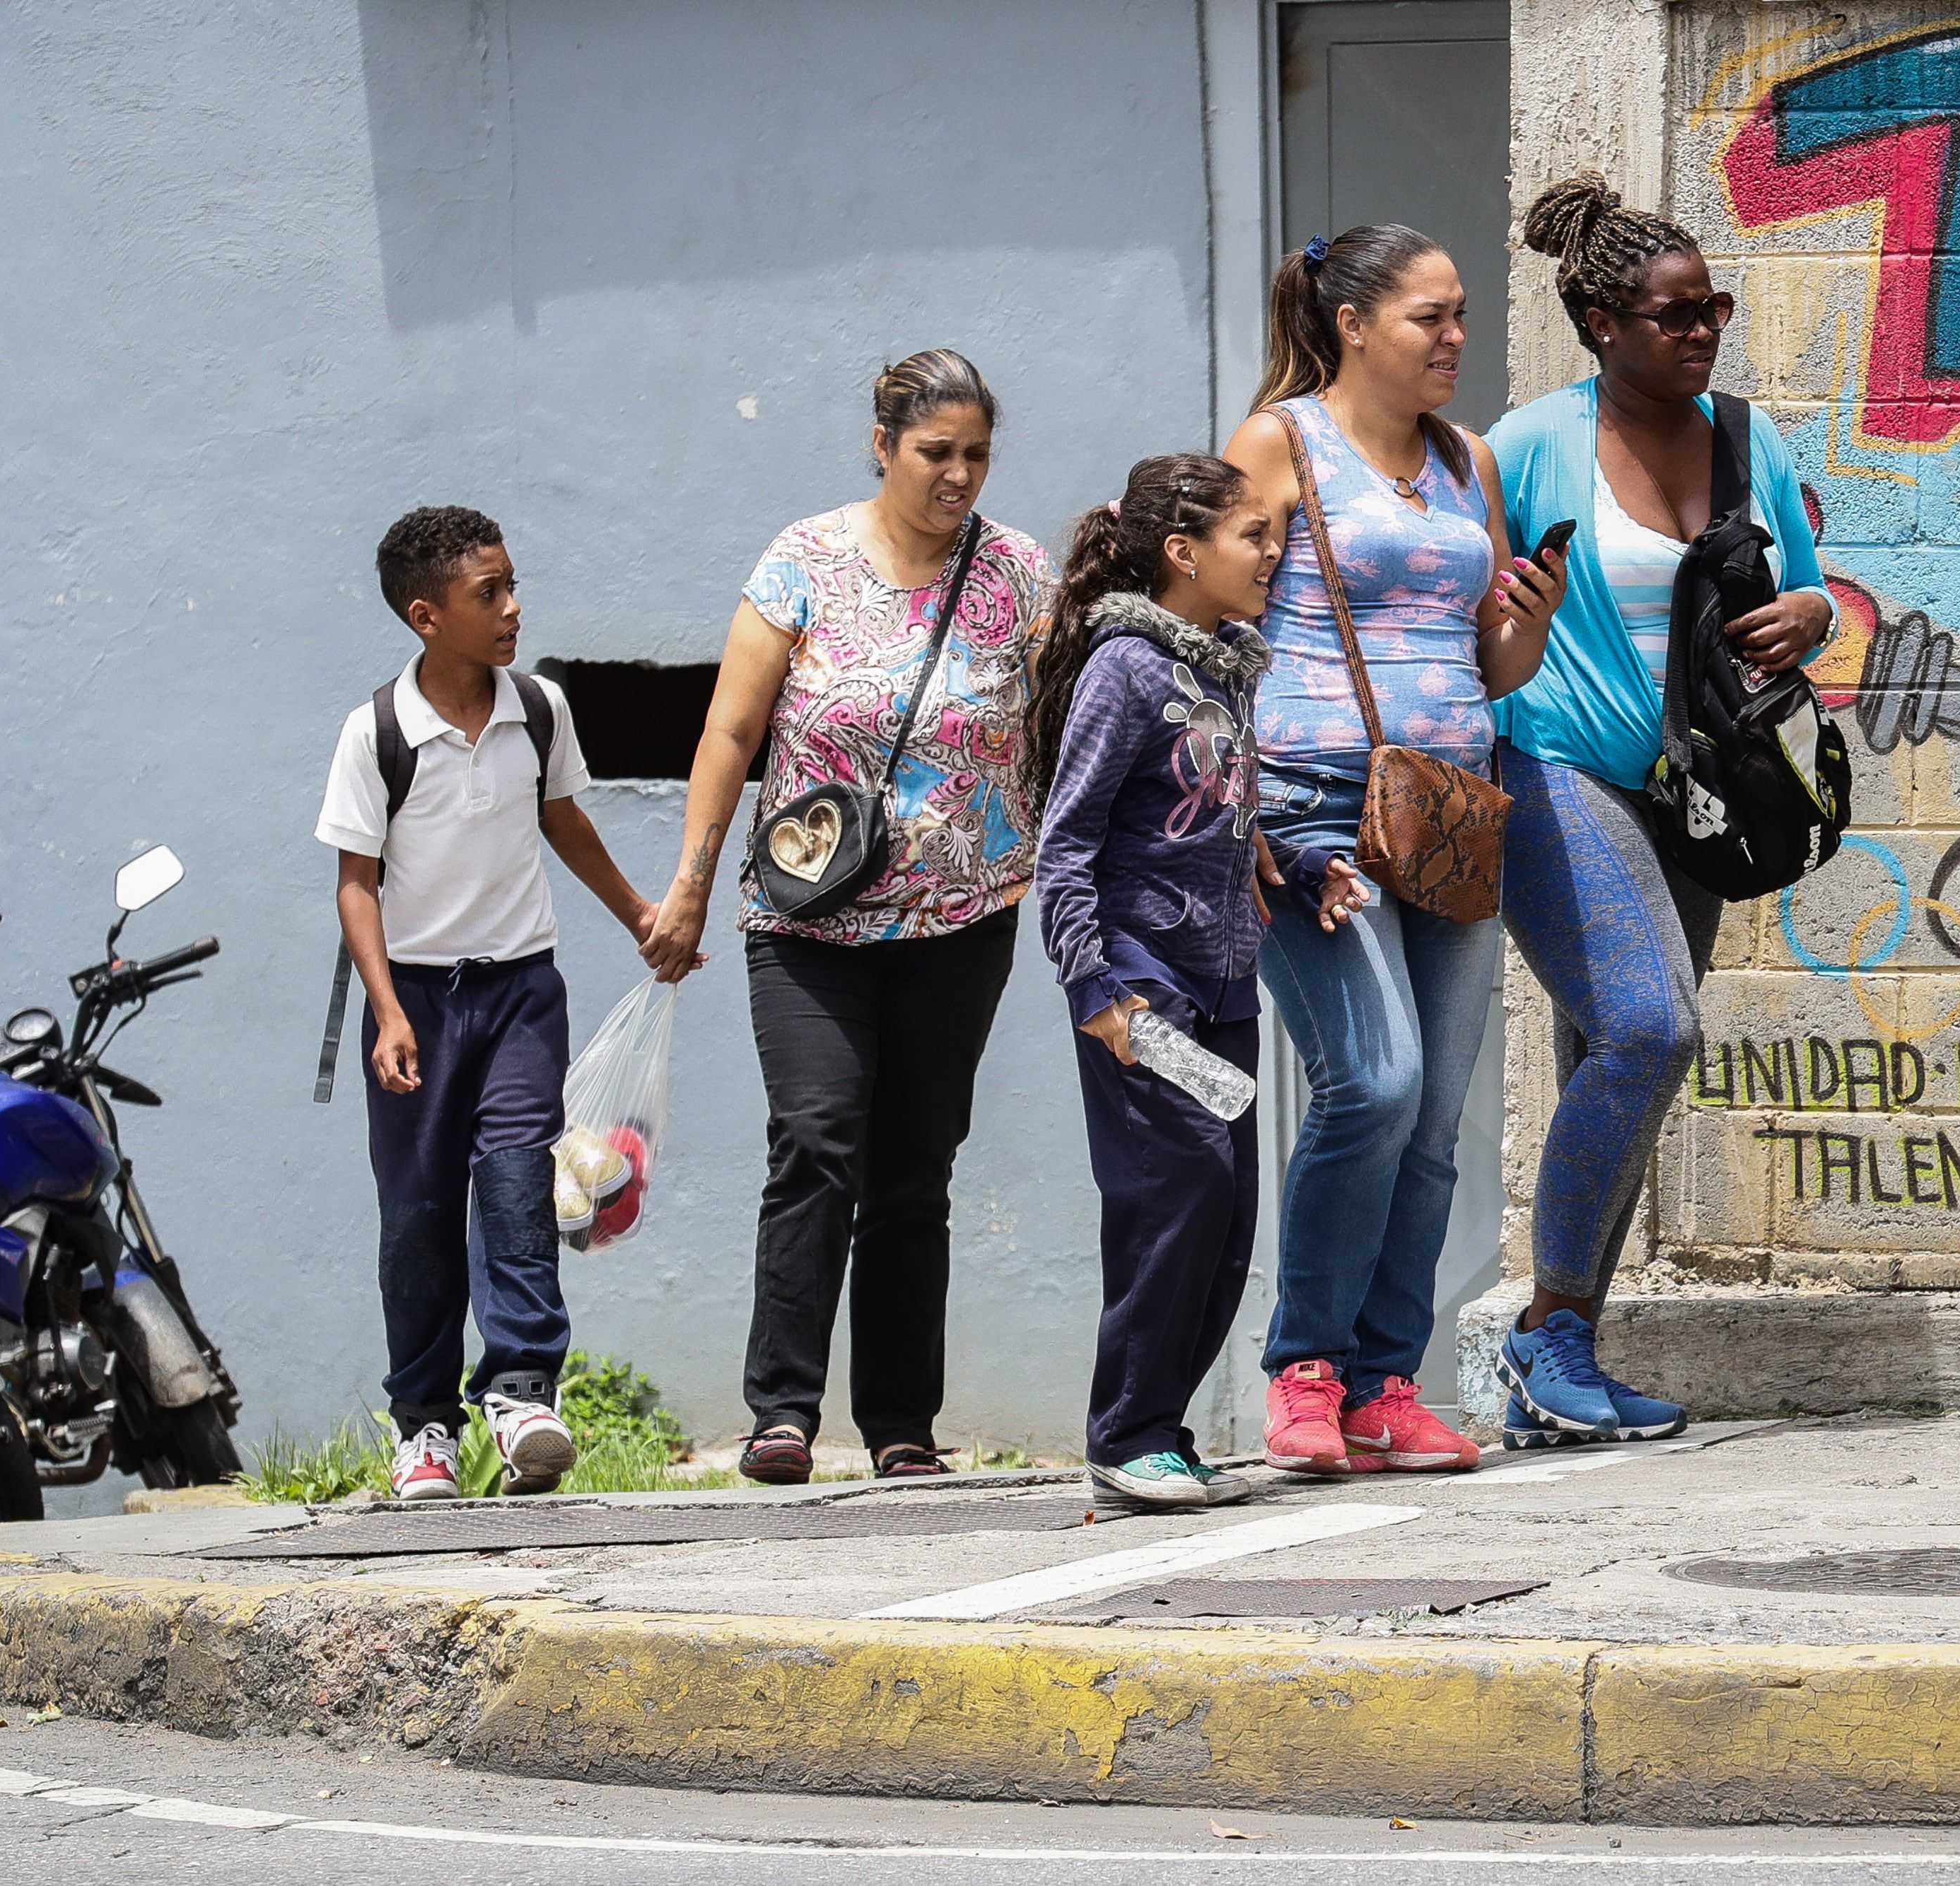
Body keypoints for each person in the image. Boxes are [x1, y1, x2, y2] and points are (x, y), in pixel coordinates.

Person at [639, 351, 1051, 1486]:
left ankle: (902, 1426)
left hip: (962, 922)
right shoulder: (804, 560)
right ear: (882, 445)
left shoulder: (1017, 575)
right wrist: (689, 879)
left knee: (916, 1169)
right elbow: (731, 733)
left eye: (975, 454)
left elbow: (1062, 726)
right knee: (817, 1145)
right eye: (935, 453)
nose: (957, 475)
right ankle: (782, 1412)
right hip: (809, 921)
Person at [1486, 175, 1835, 1445]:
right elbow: (1463, 612)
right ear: (1599, 320)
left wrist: (1815, 615)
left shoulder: (1747, 436)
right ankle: (1546, 1334)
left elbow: (1808, 586)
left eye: (1715, 310)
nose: (1702, 334)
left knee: (1610, 1057)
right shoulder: (1528, 445)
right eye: (1675, 315)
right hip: (1554, 768)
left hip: (1691, 789)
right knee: (1649, 1028)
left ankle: (1558, 1368)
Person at [1220, 225, 1566, 1475]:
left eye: (1462, 313)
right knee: (1373, 1081)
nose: (1457, 338)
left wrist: (1529, 626)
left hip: (1453, 812)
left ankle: (1383, 1384)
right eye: (1432, 317)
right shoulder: (1281, 443)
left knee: (1432, 1123)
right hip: (1312, 806)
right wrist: (1236, 813)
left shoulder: (1468, 459)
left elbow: (1493, 664)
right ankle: (1303, 1368)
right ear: (1355, 323)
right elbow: (1209, 612)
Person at [1029, 454, 1372, 1513]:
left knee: (1222, 1212)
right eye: (1252, 536)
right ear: (1184, 553)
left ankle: (1157, 1431)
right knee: (1171, 1198)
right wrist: (1095, 988)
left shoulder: (1224, 666)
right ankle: (1125, 1433)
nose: (1274, 554)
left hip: (1222, 992)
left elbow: (1215, 820)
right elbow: (1067, 842)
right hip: (1142, 993)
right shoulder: (1124, 669)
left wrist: (1307, 867)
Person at [317, 506, 663, 1501]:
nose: (513, 608)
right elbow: (355, 881)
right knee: (418, 1217)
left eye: (513, 585)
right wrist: (386, 1012)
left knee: (517, 1185)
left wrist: (638, 911)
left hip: (520, 991)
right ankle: (423, 1427)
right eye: (489, 593)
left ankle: (520, 1393)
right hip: (417, 1003)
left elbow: (562, 820)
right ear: (427, 615)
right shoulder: (379, 731)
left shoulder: (539, 710)